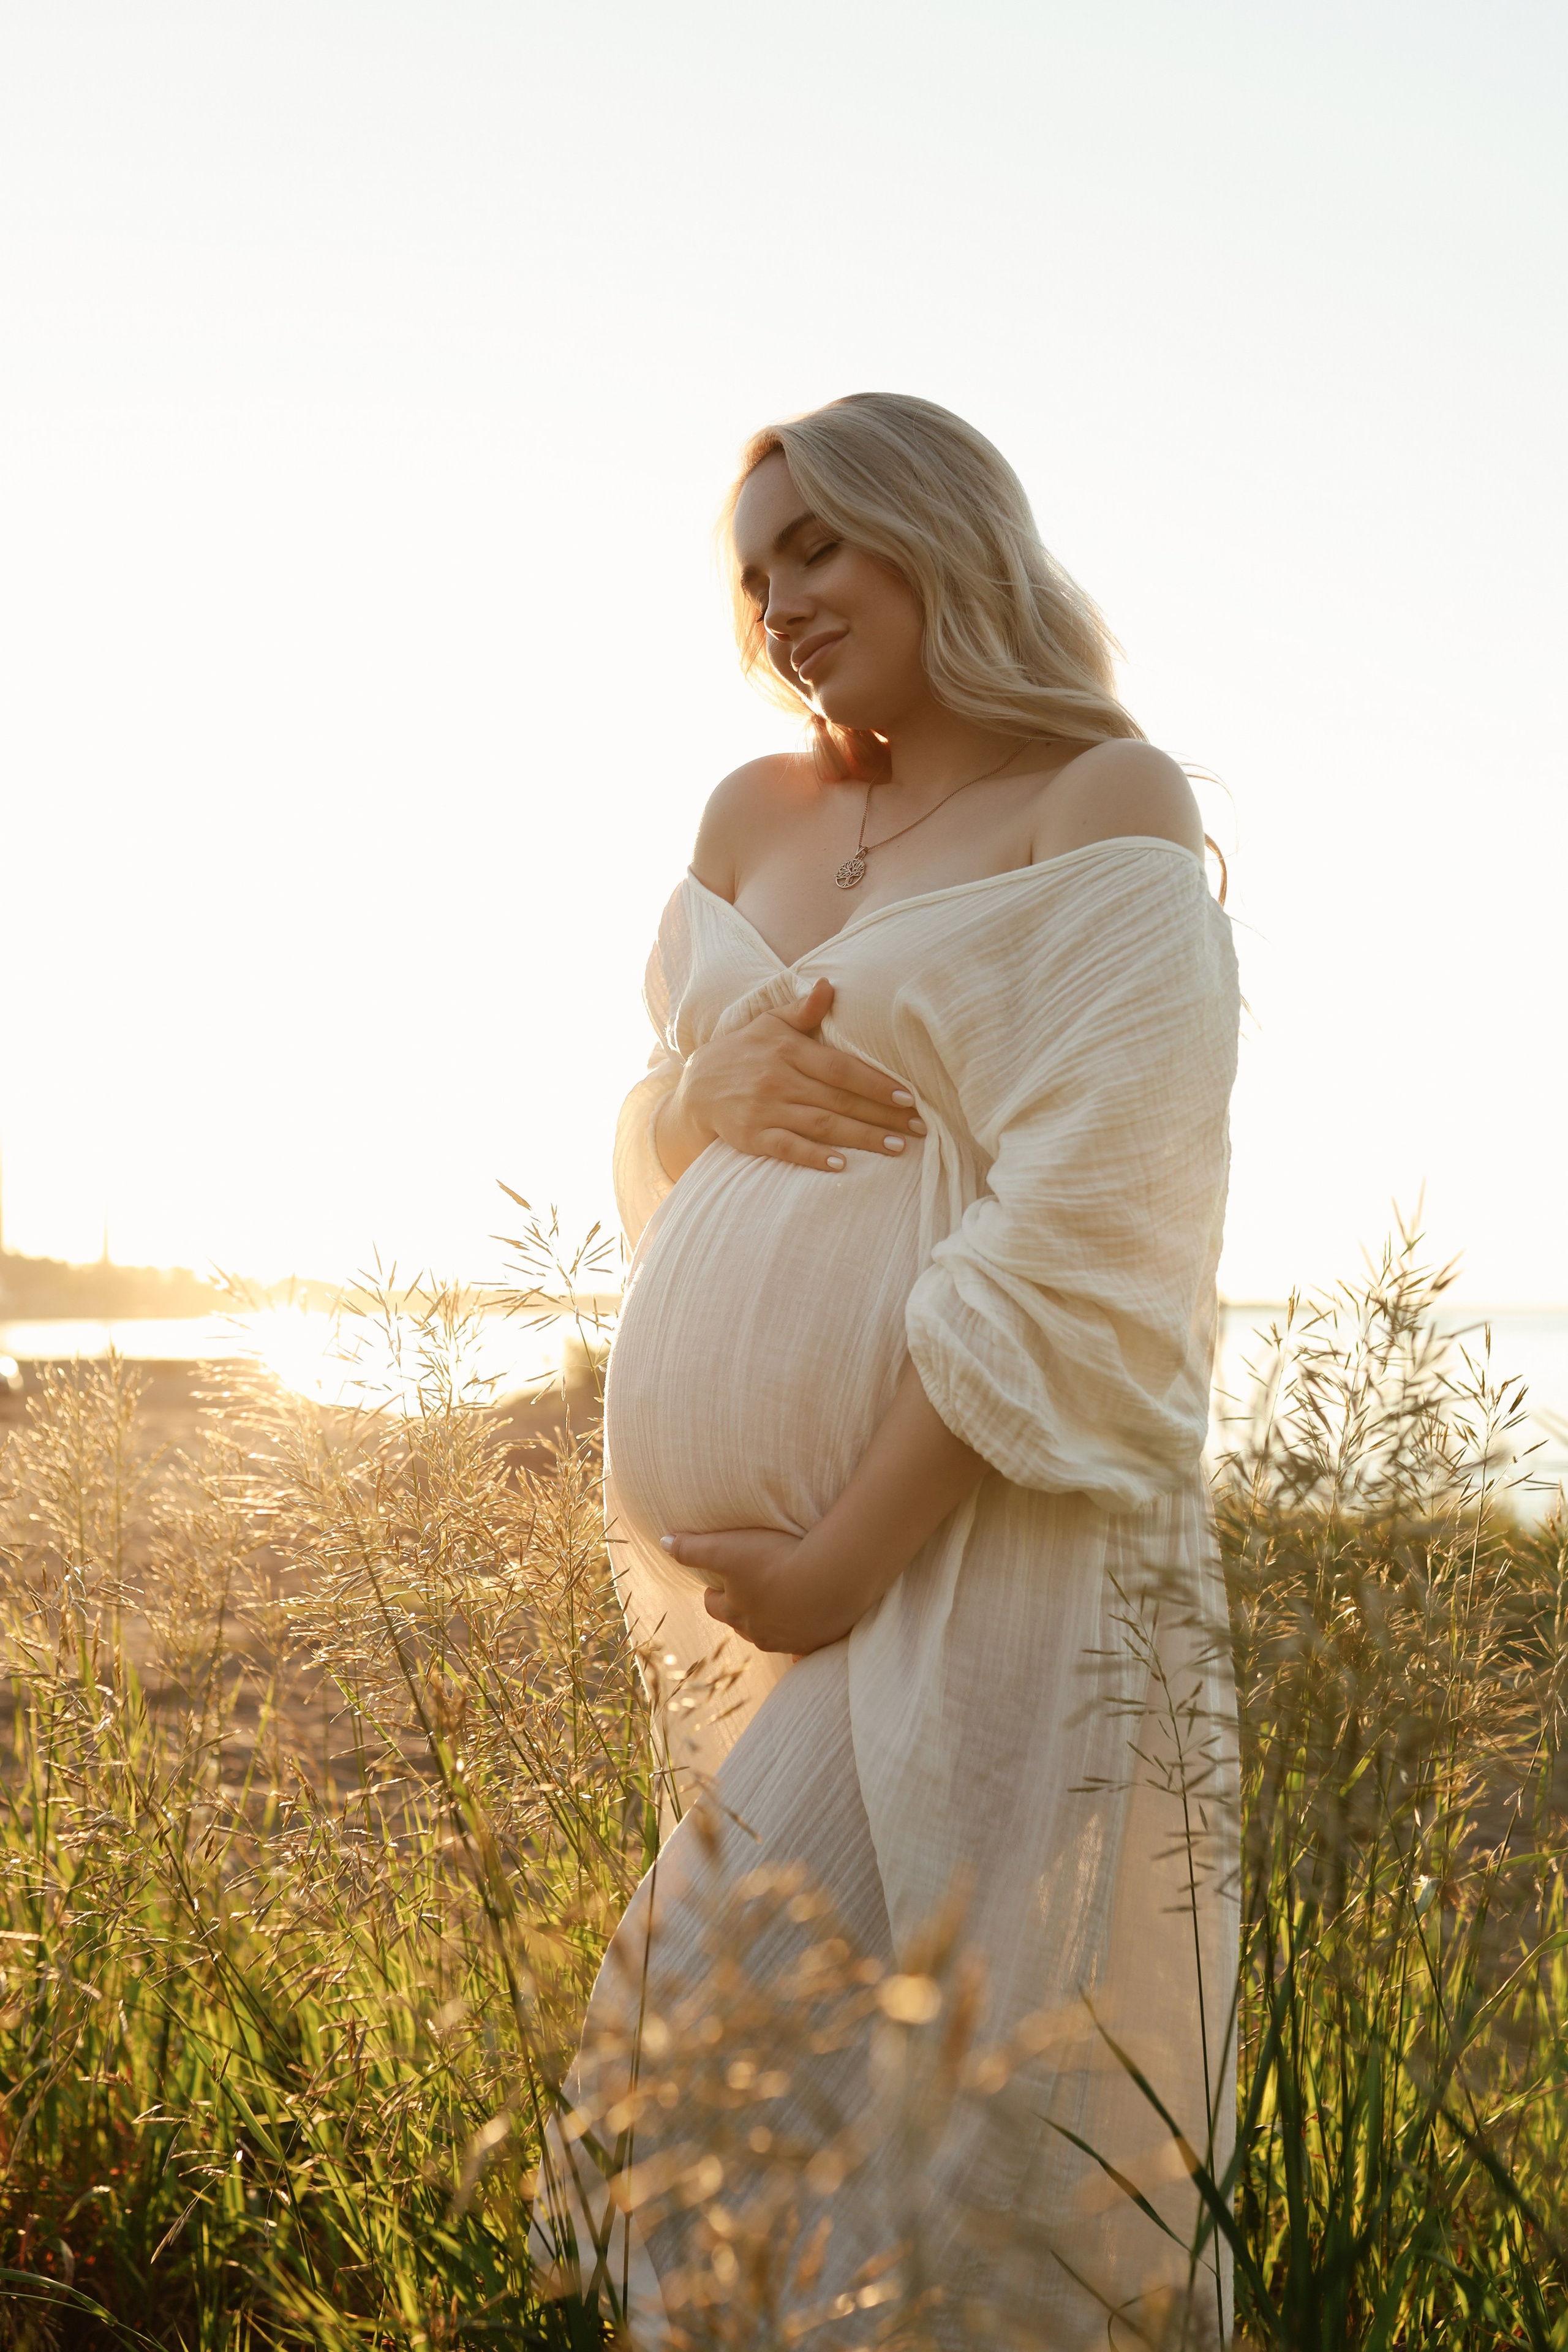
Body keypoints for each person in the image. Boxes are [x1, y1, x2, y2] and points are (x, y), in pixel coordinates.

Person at [538, 393, 1240, 2350]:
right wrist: (692, 1092)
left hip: (977, 1554)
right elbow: (677, 1163)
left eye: (822, 547)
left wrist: (853, 1551)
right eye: (758, 571)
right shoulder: (751, 819)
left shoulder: (1103, 800)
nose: (784, 599)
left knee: (912, 2123)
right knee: (752, 2120)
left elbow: (1096, 1228)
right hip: (798, 1591)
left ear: (945, 533)